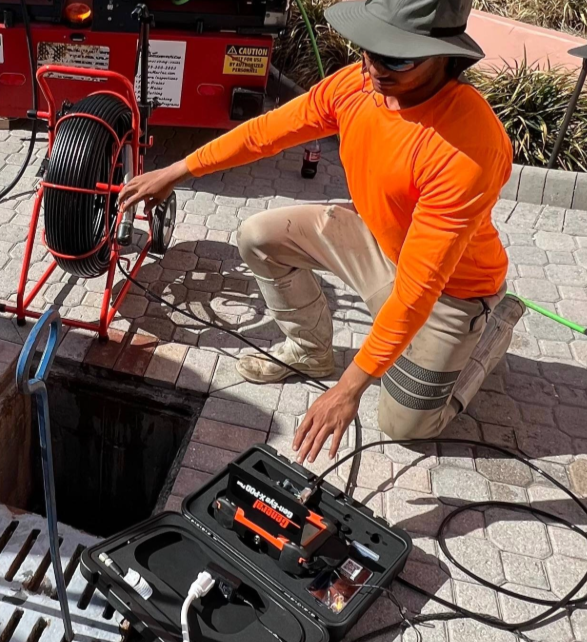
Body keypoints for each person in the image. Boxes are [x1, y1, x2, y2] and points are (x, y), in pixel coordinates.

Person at [119, 0, 525, 466]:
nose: (374, 67)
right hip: (380, 242)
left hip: (452, 292)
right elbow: (265, 133)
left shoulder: (467, 145)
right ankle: (312, 351)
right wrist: (178, 170)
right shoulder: (356, 85)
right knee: (258, 235)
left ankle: (491, 329)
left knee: (404, 426)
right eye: (368, 48)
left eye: (395, 57)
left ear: (445, 55)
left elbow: (418, 290)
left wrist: (348, 390)